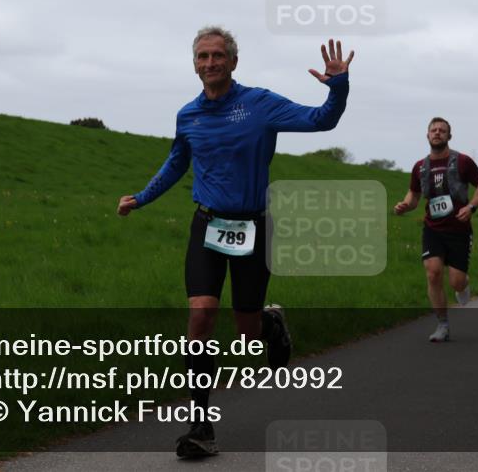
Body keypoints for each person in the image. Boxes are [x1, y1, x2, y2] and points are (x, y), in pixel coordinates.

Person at [118, 27, 353, 458]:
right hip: (207, 225)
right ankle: (200, 426)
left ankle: (270, 323)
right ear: (195, 64)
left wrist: (338, 87)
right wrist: (142, 198)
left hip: (253, 227)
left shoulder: (260, 104)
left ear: (233, 61)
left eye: (218, 55)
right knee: (201, 314)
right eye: (203, 56)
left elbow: (322, 119)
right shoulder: (188, 115)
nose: (210, 63)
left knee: (247, 333)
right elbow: (176, 163)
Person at [393, 117, 478, 342]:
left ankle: (463, 286)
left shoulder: (463, 161)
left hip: (459, 229)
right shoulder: (420, 166)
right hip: (433, 228)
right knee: (433, 272)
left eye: (442, 130)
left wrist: (471, 207)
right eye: (433, 130)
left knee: (456, 281)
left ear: (449, 136)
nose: (437, 133)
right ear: (427, 135)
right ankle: (442, 325)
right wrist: (405, 205)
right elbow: (414, 195)